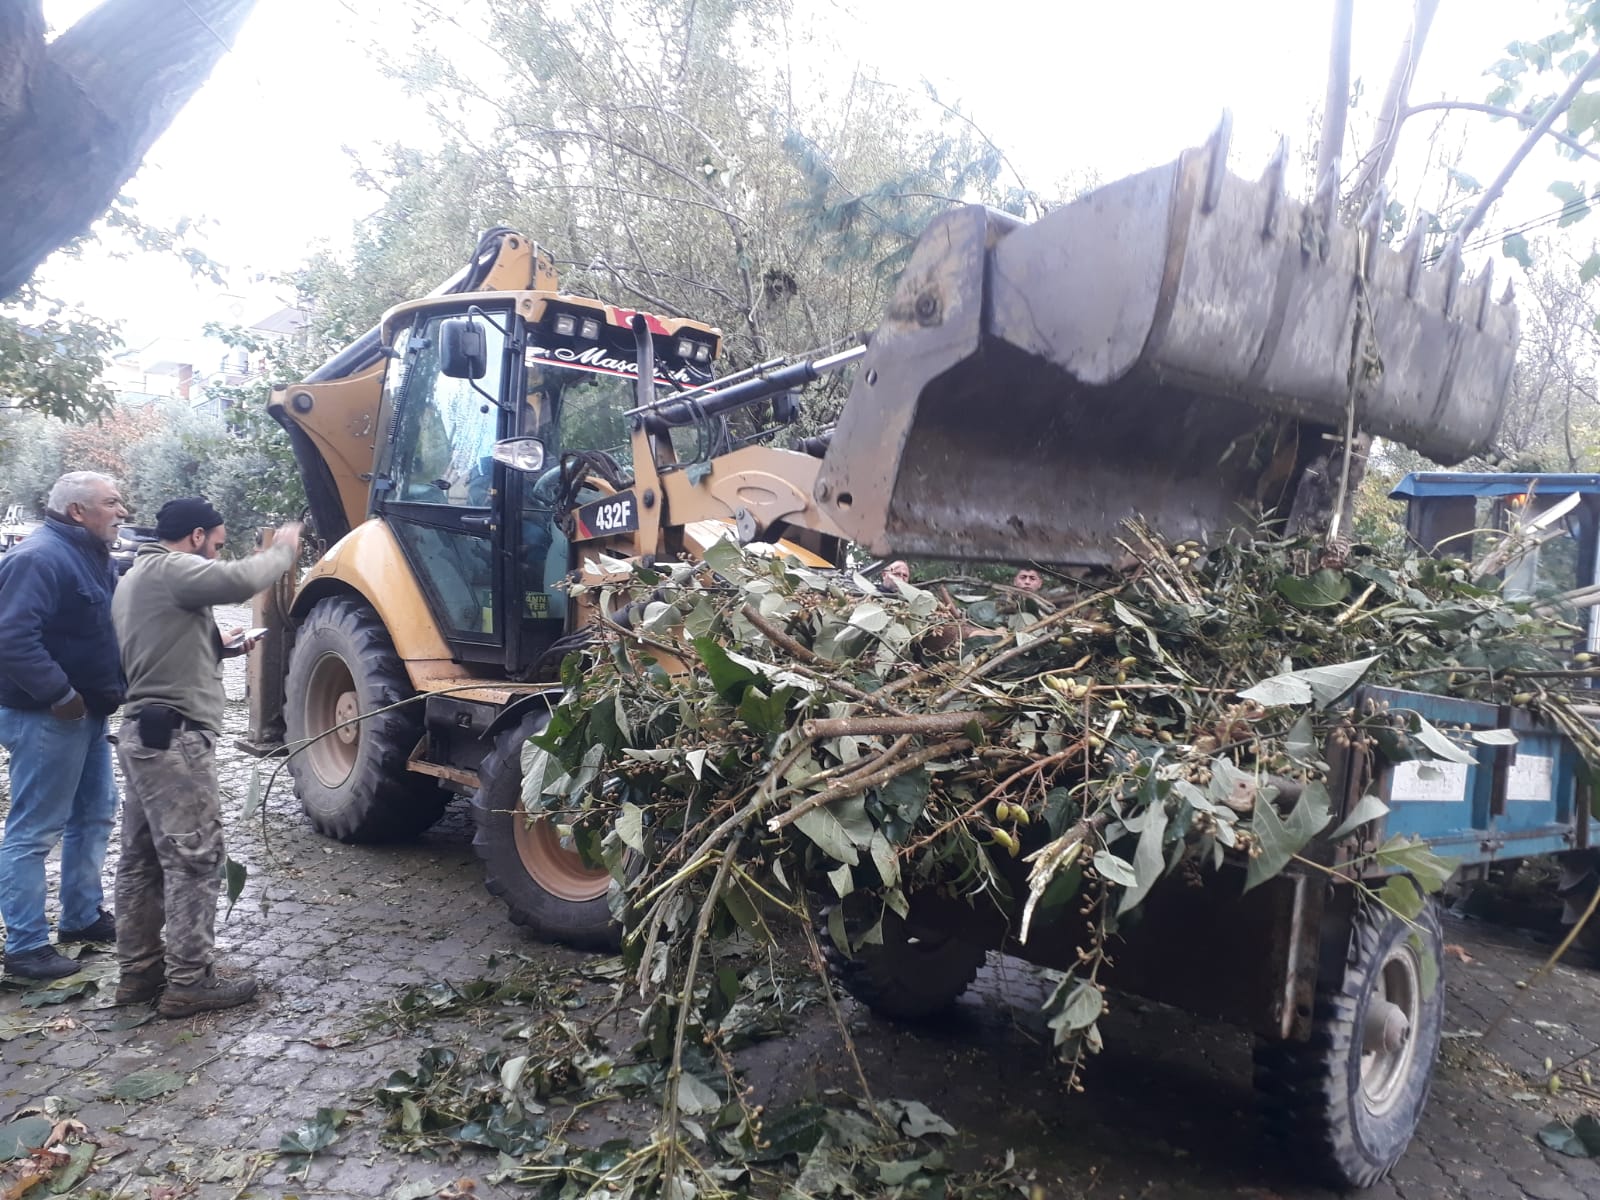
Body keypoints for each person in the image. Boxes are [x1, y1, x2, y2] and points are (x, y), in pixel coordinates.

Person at [111, 497, 302, 1017]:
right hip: (174, 742)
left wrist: (223, 646)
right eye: (216, 545)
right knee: (196, 860)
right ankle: (189, 981)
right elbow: (241, 581)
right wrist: (282, 550)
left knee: (141, 859)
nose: (216, 556)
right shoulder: (173, 566)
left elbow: (160, 648)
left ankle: (139, 973)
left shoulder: (136, 577)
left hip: (143, 735)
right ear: (196, 536)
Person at [0, 472, 129, 980]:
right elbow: (10, 636)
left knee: (96, 811)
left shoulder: (91, 555)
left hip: (88, 713)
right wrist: (59, 694)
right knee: (35, 829)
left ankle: (81, 916)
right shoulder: (39, 558)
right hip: (49, 716)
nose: (122, 511)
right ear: (78, 510)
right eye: (112, 502)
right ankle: (26, 946)